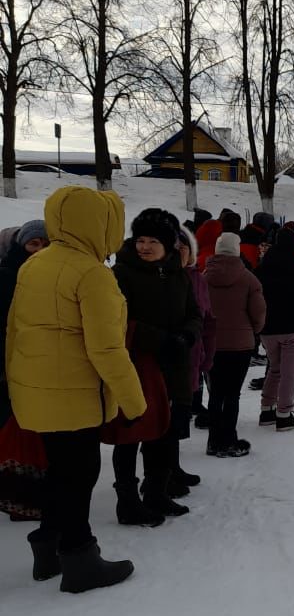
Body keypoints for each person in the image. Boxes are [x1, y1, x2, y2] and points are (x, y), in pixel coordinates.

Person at [6, 186, 145, 591]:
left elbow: (14, 330)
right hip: (75, 395)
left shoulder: (35, 265)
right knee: (80, 474)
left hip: (38, 392)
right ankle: (81, 559)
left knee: (58, 473)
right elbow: (106, 348)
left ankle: (47, 547)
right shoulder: (92, 274)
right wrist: (134, 401)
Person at [111, 208, 201, 524]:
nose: (145, 246)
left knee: (163, 430)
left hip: (173, 363)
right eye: (141, 239)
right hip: (137, 363)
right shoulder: (121, 273)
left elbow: (194, 312)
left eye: (153, 241)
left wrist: (188, 335)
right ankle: (127, 500)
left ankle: (156, 493)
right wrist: (160, 339)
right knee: (131, 432)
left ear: (168, 244)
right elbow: (119, 322)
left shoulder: (178, 273)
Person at [0, 221, 49, 523]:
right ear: (22, 245)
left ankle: (34, 495)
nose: (40, 250)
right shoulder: (6, 276)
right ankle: (15, 497)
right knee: (11, 430)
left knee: (37, 433)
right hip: (8, 366)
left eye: (46, 244)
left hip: (41, 366)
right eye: (34, 244)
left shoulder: (51, 276)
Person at [204, 232, 266, 456]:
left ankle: (213, 441)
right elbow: (258, 313)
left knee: (215, 394)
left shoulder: (203, 277)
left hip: (211, 343)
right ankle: (229, 439)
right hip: (240, 345)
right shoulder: (249, 279)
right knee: (232, 394)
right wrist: (253, 331)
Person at [258, 228, 294, 432]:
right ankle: (284, 414)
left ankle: (267, 409)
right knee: (290, 372)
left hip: (268, 327)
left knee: (275, 368)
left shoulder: (262, 269)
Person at [175, 226, 215, 495]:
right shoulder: (161, 279)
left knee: (179, 416)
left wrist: (206, 353)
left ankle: (171, 466)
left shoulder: (196, 278)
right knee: (163, 418)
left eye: (183, 247)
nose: (178, 252)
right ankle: (159, 475)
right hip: (166, 357)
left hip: (191, 355)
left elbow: (206, 317)